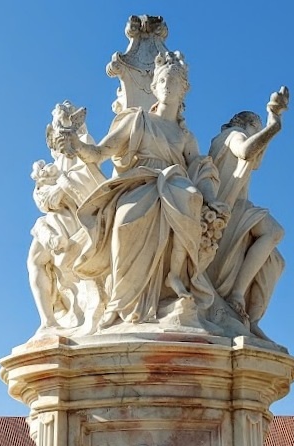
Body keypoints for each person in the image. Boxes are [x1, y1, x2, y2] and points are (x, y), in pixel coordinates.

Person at [58, 51, 227, 329]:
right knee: (125, 222)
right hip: (140, 181)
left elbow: (202, 169)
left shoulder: (185, 136)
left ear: (184, 89)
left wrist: (211, 198)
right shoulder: (137, 120)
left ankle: (175, 275)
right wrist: (76, 144)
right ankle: (119, 303)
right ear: (154, 87)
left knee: (190, 197)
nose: (168, 87)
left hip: (174, 183)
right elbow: (100, 152)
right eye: (163, 81)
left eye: (174, 82)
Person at [207, 88, 289, 338]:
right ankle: (236, 295)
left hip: (233, 208)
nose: (257, 133)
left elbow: (256, 159)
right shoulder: (233, 134)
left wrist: (272, 123)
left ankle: (250, 319)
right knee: (274, 232)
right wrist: (273, 125)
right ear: (247, 124)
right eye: (257, 127)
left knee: (275, 260)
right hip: (230, 207)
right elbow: (245, 151)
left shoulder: (226, 139)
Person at [27, 102, 104, 334]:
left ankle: (62, 318)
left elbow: (93, 179)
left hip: (77, 216)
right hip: (54, 219)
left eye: (63, 120)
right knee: (34, 262)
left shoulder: (83, 144)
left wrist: (60, 187)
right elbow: (43, 200)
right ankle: (48, 321)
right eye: (56, 125)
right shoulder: (53, 164)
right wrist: (48, 191)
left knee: (46, 260)